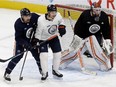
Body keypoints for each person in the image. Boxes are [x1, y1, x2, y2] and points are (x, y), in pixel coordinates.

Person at [59, 1, 113, 73]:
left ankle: (104, 64)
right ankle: (62, 61)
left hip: (96, 36)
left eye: (99, 10)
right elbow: (78, 27)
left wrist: (107, 39)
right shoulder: (85, 15)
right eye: (96, 10)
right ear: (92, 9)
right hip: (83, 36)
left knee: (94, 45)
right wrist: (77, 38)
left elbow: (106, 29)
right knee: (75, 51)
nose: (98, 12)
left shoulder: (103, 16)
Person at [4, 8, 42, 81]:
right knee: (18, 56)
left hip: (32, 41)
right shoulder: (18, 23)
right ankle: (7, 72)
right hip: (21, 42)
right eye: (26, 16)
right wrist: (25, 44)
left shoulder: (34, 17)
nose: (28, 17)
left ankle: (42, 71)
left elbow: (43, 20)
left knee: (37, 56)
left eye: (29, 16)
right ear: (22, 16)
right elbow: (18, 38)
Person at [35, 4, 66, 81]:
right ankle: (45, 73)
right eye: (52, 12)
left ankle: (55, 70)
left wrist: (62, 27)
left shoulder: (58, 15)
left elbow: (61, 21)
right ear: (48, 12)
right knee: (44, 55)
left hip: (54, 37)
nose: (54, 14)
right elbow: (38, 32)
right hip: (43, 38)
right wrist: (37, 40)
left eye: (55, 12)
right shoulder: (41, 20)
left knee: (58, 54)